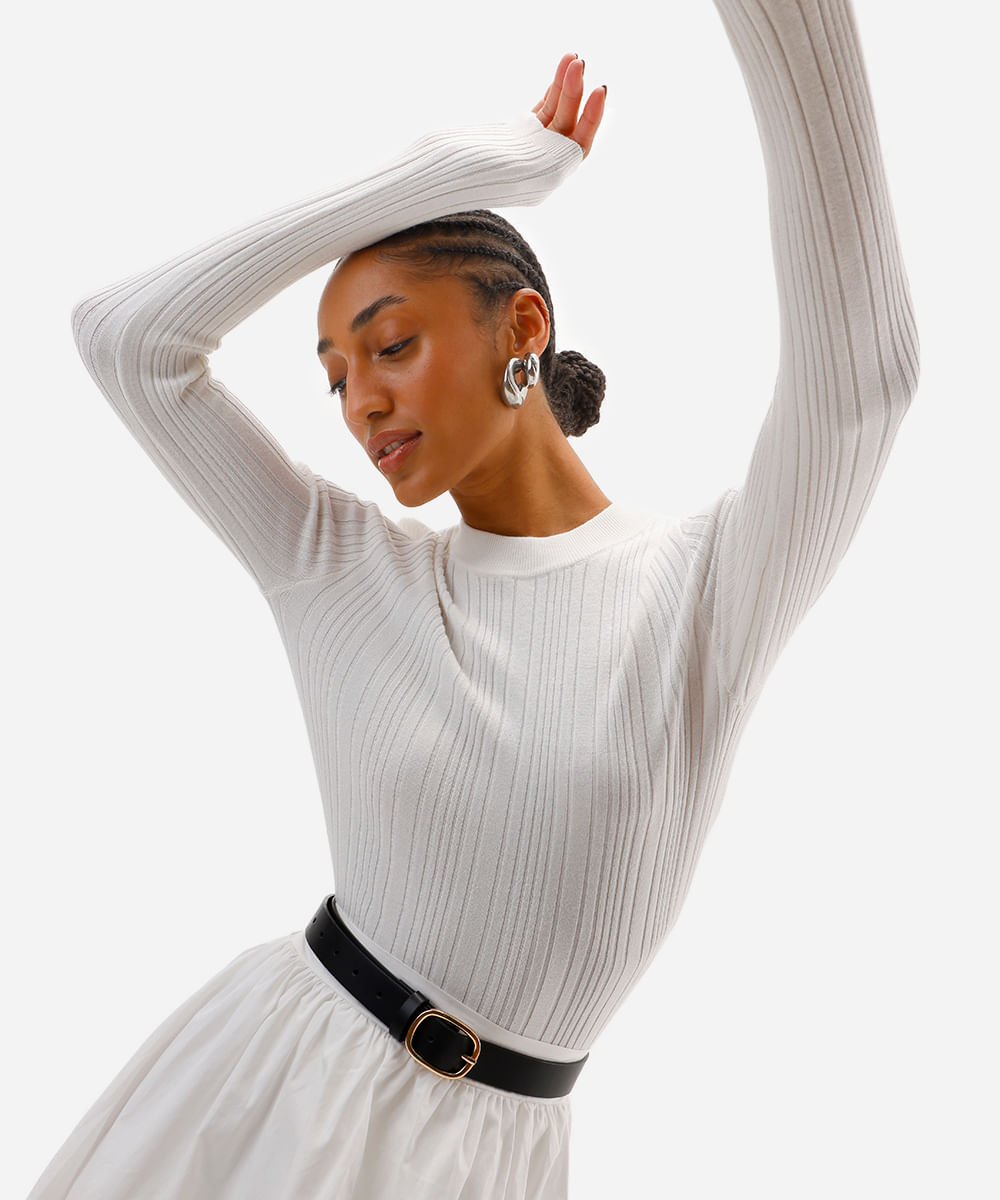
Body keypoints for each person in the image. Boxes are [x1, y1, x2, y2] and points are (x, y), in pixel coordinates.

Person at [28, 0, 919, 1196]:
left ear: (523, 330)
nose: (359, 402)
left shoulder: (707, 585)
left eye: (390, 345)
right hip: (280, 1097)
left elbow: (863, 389)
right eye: (335, 376)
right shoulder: (337, 565)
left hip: (506, 1157)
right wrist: (444, 174)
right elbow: (126, 339)